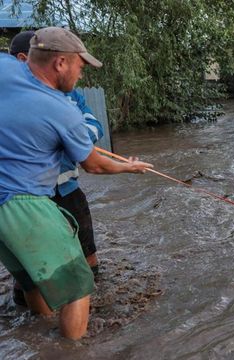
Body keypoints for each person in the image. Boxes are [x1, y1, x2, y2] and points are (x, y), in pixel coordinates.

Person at [0, 26, 153, 340]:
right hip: (24, 205)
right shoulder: (61, 110)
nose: (81, 74)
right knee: (78, 286)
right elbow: (94, 165)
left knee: (30, 279)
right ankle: (70, 349)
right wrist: (130, 167)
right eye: (80, 65)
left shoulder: (4, 69)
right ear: (59, 63)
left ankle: (41, 337)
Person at [9, 30, 104, 308]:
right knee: (30, 266)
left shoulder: (70, 95)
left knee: (87, 252)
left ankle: (88, 301)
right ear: (23, 59)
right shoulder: (13, 97)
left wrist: (70, 135)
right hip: (27, 197)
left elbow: (93, 126)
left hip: (67, 188)